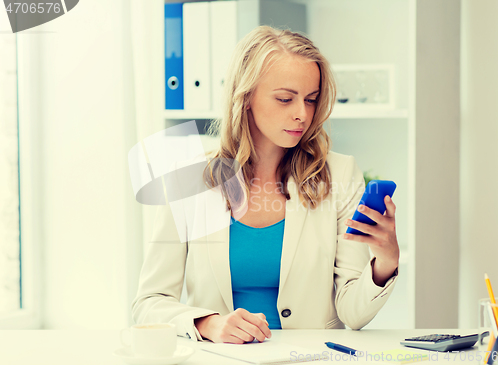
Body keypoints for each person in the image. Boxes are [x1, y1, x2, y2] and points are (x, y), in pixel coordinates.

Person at [131, 25, 399, 344]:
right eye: (285, 99)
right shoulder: (189, 177)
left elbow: (352, 314)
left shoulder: (339, 174)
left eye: (311, 100)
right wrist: (208, 323)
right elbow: (149, 304)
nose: (302, 114)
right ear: (245, 98)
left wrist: (385, 261)